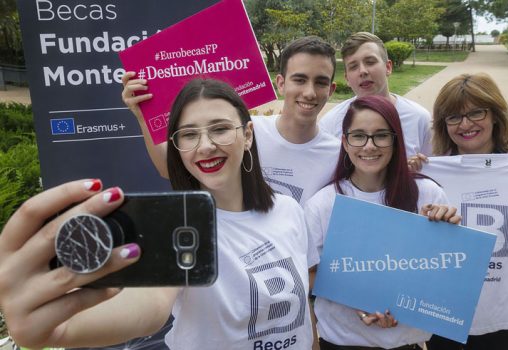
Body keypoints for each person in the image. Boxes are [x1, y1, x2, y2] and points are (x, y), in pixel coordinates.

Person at [0, 79, 318, 349]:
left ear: (247, 135)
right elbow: (149, 307)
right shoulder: (174, 229)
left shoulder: (288, 210)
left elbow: (304, 312)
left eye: (220, 129)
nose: (205, 146)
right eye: (189, 134)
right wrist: (61, 328)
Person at [407, 73, 508, 350]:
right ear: (443, 124)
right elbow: (405, 247)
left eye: (475, 112)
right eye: (454, 117)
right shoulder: (428, 175)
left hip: (501, 319)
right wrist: (407, 181)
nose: (465, 124)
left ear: (495, 115)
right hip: (440, 313)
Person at [304, 95, 461, 350]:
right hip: (341, 341)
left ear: (395, 139)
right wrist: (358, 299)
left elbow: (444, 271)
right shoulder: (323, 204)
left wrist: (449, 233)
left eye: (381, 135)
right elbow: (308, 273)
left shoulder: (428, 194)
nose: (369, 146)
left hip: (405, 342)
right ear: (344, 141)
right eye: (358, 136)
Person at [123, 36, 340, 205]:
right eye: (300, 80)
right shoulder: (244, 132)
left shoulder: (338, 155)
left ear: (331, 90)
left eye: (320, 83)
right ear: (281, 83)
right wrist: (144, 116)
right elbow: (169, 169)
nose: (309, 92)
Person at [318, 32, 432, 157]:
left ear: (388, 67)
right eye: (353, 66)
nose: (363, 71)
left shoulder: (420, 119)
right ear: (347, 78)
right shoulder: (330, 124)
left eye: (370, 62)